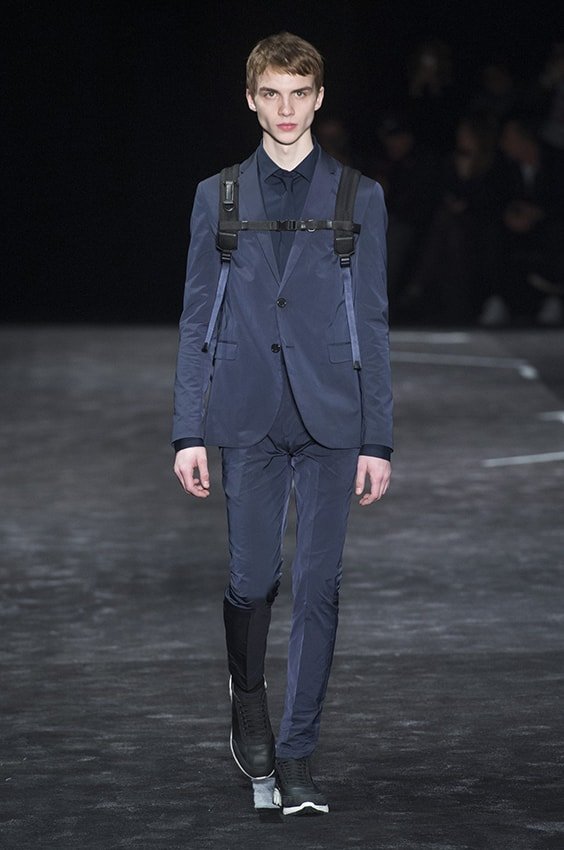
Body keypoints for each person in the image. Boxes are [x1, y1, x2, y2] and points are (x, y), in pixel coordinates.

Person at [172, 32, 393, 815]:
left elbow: (373, 319)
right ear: (251, 99)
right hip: (247, 412)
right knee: (251, 580)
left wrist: (377, 438)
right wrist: (187, 428)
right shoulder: (219, 196)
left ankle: (297, 753)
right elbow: (198, 315)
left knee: (319, 587)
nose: (287, 108)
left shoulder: (359, 196)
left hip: (333, 416)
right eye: (272, 93)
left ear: (320, 98)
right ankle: (248, 697)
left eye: (300, 93)